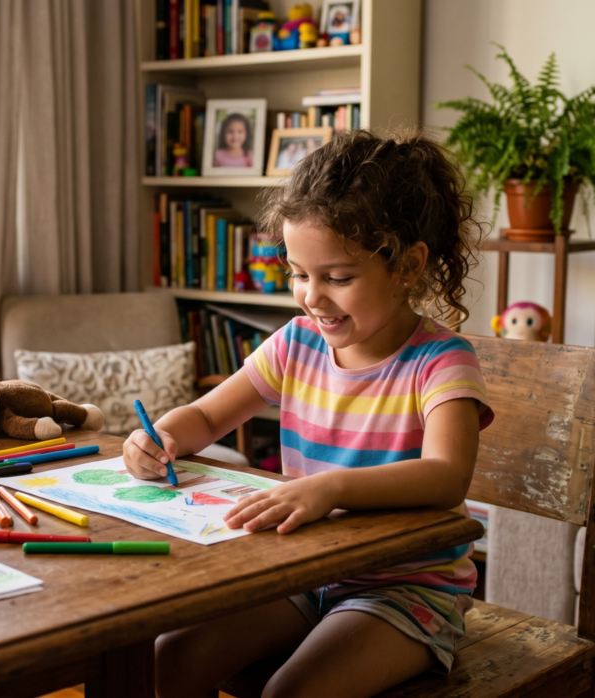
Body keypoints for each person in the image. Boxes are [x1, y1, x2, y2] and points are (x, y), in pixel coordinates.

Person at [124, 129, 492, 698]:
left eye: (337, 277)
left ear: (408, 267)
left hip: (406, 591)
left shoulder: (440, 362)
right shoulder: (296, 344)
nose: (311, 296)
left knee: (288, 693)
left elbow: (448, 477)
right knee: (170, 654)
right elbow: (205, 417)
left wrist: (329, 489)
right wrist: (162, 437)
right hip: (304, 573)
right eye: (299, 273)